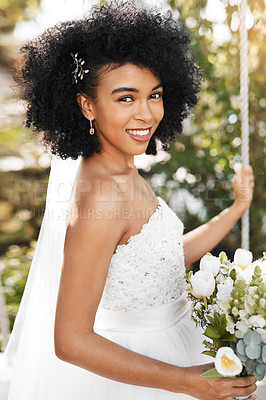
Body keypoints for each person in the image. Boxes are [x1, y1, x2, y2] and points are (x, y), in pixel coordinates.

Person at [0, 1, 256, 399]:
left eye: (154, 95)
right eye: (125, 98)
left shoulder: (121, 168)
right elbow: (71, 341)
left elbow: (161, 256)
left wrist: (236, 208)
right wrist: (185, 380)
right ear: (88, 105)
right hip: (146, 373)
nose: (147, 113)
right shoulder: (101, 197)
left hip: (180, 346)